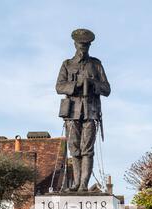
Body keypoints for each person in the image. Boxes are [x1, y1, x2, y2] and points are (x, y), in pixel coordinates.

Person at [56, 28, 111, 192]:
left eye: (86, 45)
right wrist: (76, 85)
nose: (83, 48)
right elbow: (59, 87)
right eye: (81, 45)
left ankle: (83, 185)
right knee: (74, 148)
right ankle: (76, 183)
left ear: (89, 46)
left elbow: (107, 89)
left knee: (87, 149)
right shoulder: (67, 64)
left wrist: (93, 84)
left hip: (90, 111)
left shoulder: (96, 64)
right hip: (72, 112)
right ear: (75, 44)